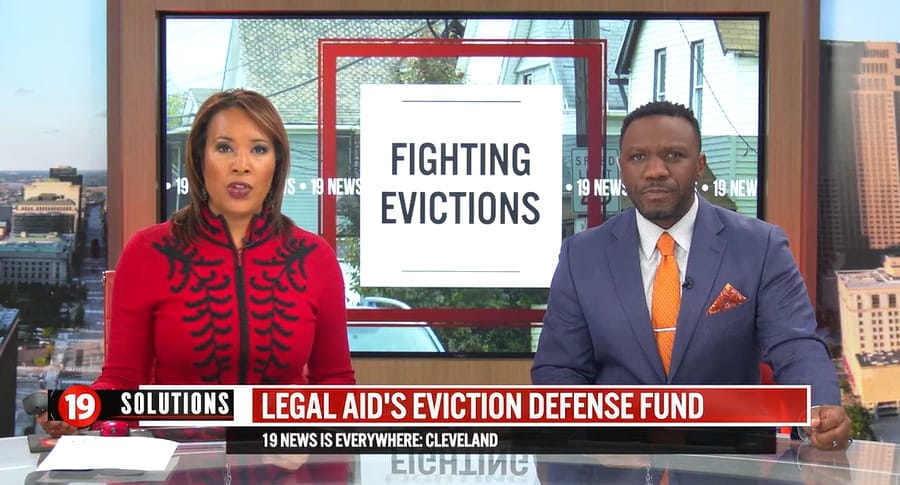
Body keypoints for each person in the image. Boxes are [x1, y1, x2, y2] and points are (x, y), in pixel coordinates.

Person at [531, 100, 851, 451]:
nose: (655, 171)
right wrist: (595, 442)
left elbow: (794, 344)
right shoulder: (582, 256)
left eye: (673, 155)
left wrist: (819, 407)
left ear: (700, 165)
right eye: (638, 157)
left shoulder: (760, 247)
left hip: (729, 462)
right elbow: (559, 370)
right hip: (617, 462)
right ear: (621, 169)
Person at [39, 89, 356, 439]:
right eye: (224, 148)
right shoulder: (148, 251)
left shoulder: (315, 257)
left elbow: (336, 383)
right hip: (177, 460)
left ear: (276, 164)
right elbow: (123, 381)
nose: (241, 164)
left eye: (259, 149)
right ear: (199, 159)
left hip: (283, 460)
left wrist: (307, 437)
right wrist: (79, 411)